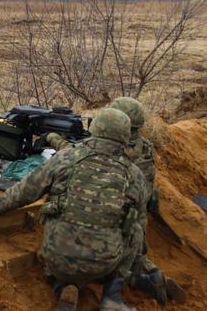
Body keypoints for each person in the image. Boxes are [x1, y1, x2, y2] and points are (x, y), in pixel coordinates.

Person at [0, 108, 147, 311]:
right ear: (125, 136)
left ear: (94, 128)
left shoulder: (66, 157)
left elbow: (26, 191)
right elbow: (141, 219)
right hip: (103, 264)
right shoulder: (134, 173)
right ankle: (112, 297)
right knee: (136, 229)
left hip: (58, 257)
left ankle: (62, 286)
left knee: (54, 212)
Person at [47, 98, 185, 306]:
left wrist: (53, 138)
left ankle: (66, 286)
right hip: (136, 221)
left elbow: (75, 155)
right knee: (130, 251)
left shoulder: (119, 152)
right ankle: (152, 276)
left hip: (113, 225)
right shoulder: (145, 147)